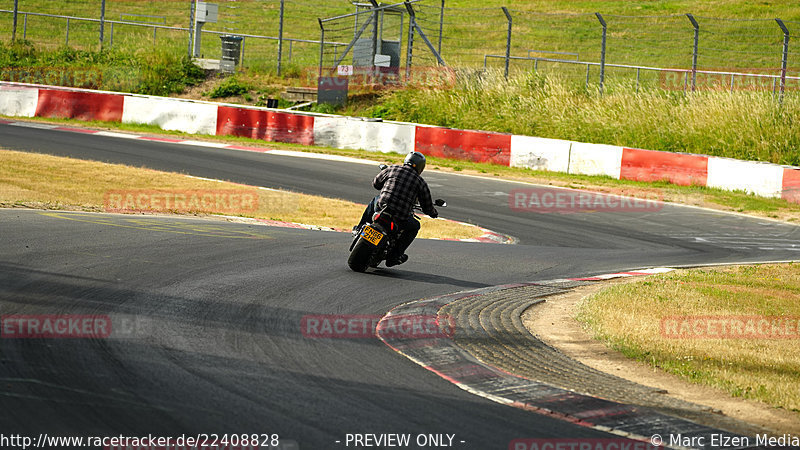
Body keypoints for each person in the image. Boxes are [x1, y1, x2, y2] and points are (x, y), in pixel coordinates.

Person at [355, 151, 438, 267]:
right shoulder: (420, 182)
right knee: (414, 226)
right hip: (400, 217)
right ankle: (395, 256)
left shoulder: (392, 169)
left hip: (381, 208)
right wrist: (433, 213)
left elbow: (376, 183)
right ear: (420, 167)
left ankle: (359, 227)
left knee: (375, 200)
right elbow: (427, 206)